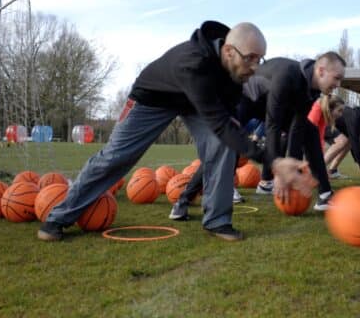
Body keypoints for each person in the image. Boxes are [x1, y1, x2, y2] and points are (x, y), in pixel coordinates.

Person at [37, 21, 309, 242]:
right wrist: (274, 162)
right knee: (116, 157)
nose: (255, 67)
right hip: (152, 99)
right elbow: (220, 124)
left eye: (259, 59)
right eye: (250, 59)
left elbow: (228, 121)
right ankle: (58, 218)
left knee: (223, 144)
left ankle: (217, 220)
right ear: (229, 51)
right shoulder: (193, 63)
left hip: (194, 103)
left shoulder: (235, 72)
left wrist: (254, 145)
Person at [249, 52, 346, 211]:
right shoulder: (287, 76)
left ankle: (325, 195)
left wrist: (293, 170)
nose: (338, 84)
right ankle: (215, 187)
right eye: (337, 78)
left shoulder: (312, 89)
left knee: (310, 131)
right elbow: (273, 124)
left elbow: (297, 129)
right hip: (247, 101)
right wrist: (279, 169)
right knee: (228, 138)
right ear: (321, 71)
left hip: (268, 106)